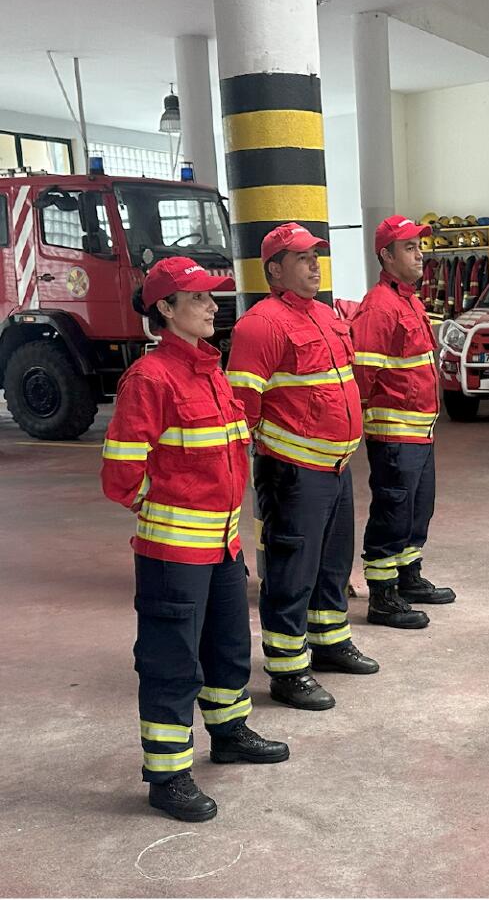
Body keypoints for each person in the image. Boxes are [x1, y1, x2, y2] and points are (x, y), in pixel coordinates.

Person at [101, 257, 289, 823]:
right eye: (200, 298)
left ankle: (228, 734)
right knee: (171, 663)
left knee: (228, 648)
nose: (213, 306)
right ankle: (168, 775)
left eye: (213, 297)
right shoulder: (151, 378)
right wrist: (165, 510)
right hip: (173, 555)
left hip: (223, 548)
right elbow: (120, 476)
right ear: (165, 308)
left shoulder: (212, 371)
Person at [226, 223, 377, 712]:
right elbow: (243, 406)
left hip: (335, 467)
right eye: (303, 258)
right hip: (293, 473)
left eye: (317, 256)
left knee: (332, 566)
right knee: (292, 573)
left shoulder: (325, 316)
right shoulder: (260, 325)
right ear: (274, 269)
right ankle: (288, 670)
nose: (315, 265)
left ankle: (329, 643)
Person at [350, 215, 455, 629]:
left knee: (417, 509)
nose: (419, 255)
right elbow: (363, 376)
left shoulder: (408, 300)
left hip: (420, 431)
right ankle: (382, 596)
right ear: (386, 255)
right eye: (409, 247)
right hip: (394, 433)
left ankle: (408, 577)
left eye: (419, 246)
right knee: (393, 512)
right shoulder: (379, 306)